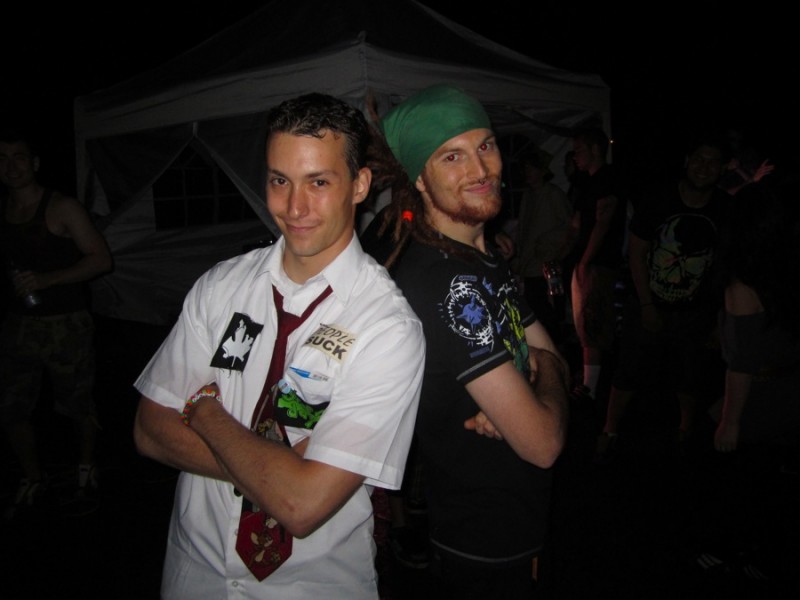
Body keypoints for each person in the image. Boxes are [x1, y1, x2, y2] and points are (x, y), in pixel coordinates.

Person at [132, 93, 426, 599]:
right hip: (195, 573)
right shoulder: (220, 287)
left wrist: (203, 411)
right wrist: (281, 469)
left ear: (359, 185)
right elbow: (150, 430)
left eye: (318, 182)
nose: (294, 208)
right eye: (279, 181)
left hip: (313, 586)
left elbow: (302, 505)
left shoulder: (387, 327)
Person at [371, 83, 569, 598]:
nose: (481, 170)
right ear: (419, 178)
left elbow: (555, 360)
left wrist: (536, 378)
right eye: (452, 156)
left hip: (518, 523)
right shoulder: (447, 283)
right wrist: (540, 375)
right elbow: (543, 443)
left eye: (485, 146)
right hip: (485, 540)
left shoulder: (481, 260)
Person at [595, 133, 732, 462]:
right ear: (687, 161)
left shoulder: (725, 208)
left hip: (695, 310)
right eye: (699, 159)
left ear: (722, 168)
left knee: (690, 373)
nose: (704, 167)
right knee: (629, 369)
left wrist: (719, 318)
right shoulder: (659, 198)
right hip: (647, 300)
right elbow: (637, 252)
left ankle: (685, 428)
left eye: (713, 162)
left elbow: (725, 265)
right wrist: (646, 304)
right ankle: (609, 428)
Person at [0, 130, 113, 518]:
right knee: (12, 406)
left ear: (34, 163)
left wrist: (48, 280)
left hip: (65, 324)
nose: (11, 166)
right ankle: (32, 476)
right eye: (3, 159)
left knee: (77, 404)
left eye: (18, 157)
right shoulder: (3, 210)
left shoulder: (62, 207)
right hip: (18, 325)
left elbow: (101, 259)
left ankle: (85, 469)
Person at [694, 182, 800, 589]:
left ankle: (728, 551)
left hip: (761, 397)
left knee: (732, 477)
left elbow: (742, 365)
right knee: (770, 482)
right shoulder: (785, 269)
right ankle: (761, 556)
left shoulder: (742, 283)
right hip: (789, 390)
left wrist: (730, 422)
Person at [565, 127, 628, 403]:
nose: (575, 156)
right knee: (584, 322)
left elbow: (603, 222)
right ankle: (588, 380)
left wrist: (586, 261)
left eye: (579, 150)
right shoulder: (588, 182)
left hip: (599, 262)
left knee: (594, 322)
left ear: (595, 149)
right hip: (586, 261)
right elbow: (578, 225)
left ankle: (591, 388)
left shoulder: (607, 178)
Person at [511, 147, 573, 346]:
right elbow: (523, 229)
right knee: (534, 312)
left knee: (548, 313)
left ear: (542, 170)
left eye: (531, 168)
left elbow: (569, 228)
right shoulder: (528, 196)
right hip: (529, 265)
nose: (527, 172)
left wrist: (551, 248)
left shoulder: (553, 195)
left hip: (546, 267)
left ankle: (556, 350)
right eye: (525, 169)